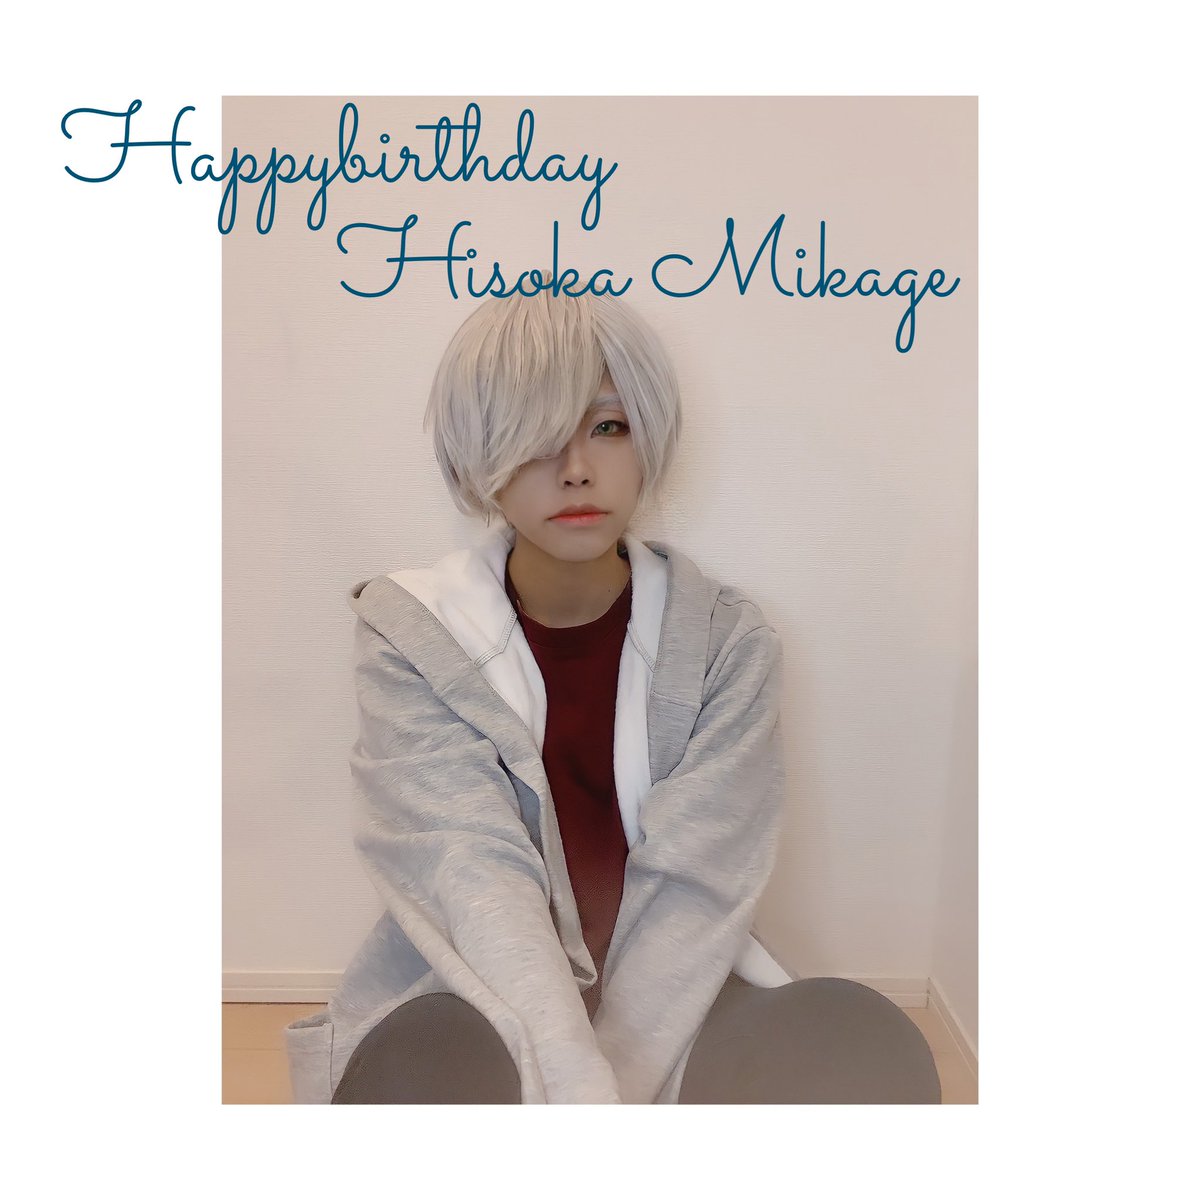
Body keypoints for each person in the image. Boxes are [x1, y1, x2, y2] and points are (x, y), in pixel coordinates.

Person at [283, 289, 940, 1104]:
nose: (577, 469)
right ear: (480, 452)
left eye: (608, 426)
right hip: (483, 998)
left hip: (678, 1005)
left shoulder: (727, 644)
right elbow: (468, 867)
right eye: (536, 435)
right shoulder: (412, 632)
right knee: (419, 1065)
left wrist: (603, 1102)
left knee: (863, 1038)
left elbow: (697, 884)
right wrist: (574, 1089)